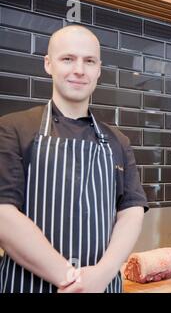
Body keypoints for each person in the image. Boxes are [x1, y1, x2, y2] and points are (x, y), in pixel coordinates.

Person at [0, 25, 148, 293]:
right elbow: (3, 213)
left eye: (89, 61)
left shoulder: (118, 141)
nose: (79, 69)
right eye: (68, 59)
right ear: (48, 64)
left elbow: (131, 211)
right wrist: (72, 280)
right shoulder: (12, 129)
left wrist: (103, 273)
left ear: (98, 69)